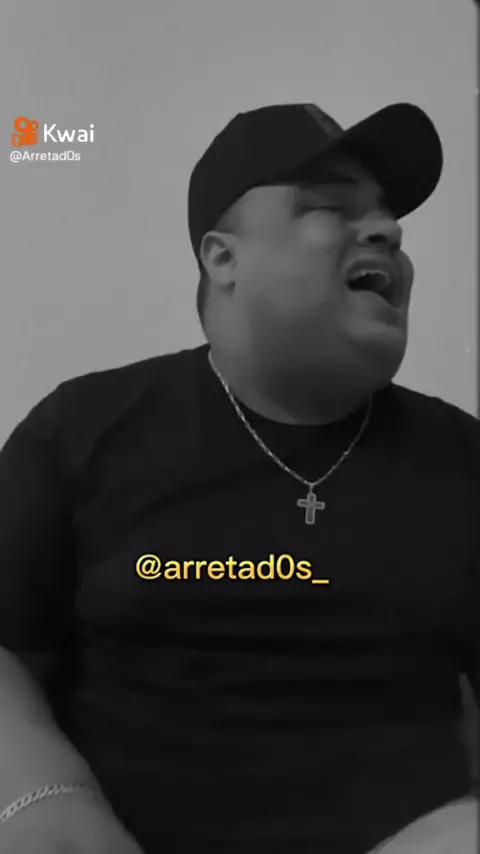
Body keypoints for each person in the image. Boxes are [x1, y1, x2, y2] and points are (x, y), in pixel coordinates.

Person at [0, 100, 478, 854]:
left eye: (391, 220)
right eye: (330, 207)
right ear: (222, 259)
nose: (388, 231)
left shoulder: (461, 457)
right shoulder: (84, 429)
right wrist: (43, 801)